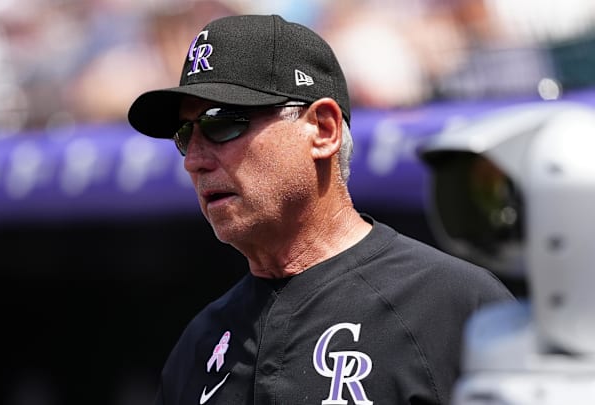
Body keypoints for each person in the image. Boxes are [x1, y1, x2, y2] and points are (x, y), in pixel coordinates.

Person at [127, 14, 514, 405]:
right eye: (184, 134)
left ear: (323, 129)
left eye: (221, 123)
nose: (193, 159)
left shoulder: (452, 305)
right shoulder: (201, 341)